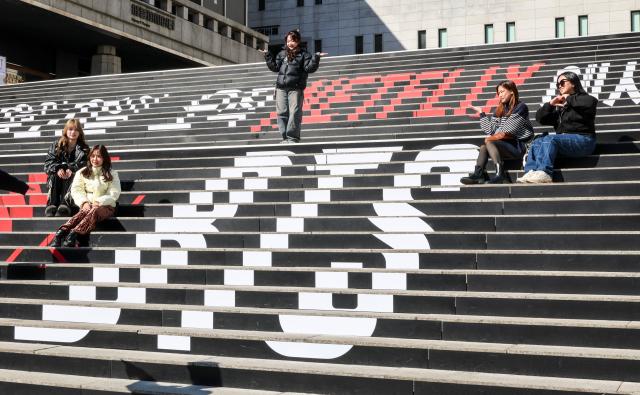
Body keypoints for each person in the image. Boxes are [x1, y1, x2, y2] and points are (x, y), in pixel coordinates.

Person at [517, 71, 598, 183]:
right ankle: (530, 171)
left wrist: (568, 98)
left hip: (584, 141)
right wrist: (550, 105)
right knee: (537, 141)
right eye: (557, 84)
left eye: (562, 82)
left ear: (573, 83)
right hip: (564, 142)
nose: (559, 86)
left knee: (550, 139)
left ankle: (544, 172)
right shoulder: (561, 109)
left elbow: (590, 103)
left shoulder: (585, 99)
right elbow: (540, 118)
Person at [461, 80, 534, 184]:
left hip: (519, 145)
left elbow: (508, 130)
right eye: (498, 93)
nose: (500, 95)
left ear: (512, 91)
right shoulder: (499, 110)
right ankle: (478, 175)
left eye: (502, 92)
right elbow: (491, 130)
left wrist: (490, 138)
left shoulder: (521, 107)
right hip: (506, 144)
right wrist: (482, 113)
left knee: (489, 142)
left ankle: (500, 174)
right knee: (484, 147)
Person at [260, 30, 327, 143]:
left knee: (295, 112)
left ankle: (292, 137)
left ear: (298, 41)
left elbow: (309, 68)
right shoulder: (282, 54)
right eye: (288, 40)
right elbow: (275, 67)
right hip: (281, 88)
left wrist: (316, 58)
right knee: (281, 112)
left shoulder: (304, 55)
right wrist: (267, 56)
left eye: (293, 40)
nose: (290, 43)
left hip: (295, 88)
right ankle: (285, 138)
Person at [49, 145, 120, 248]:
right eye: (93, 156)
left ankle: (73, 234)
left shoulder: (112, 174)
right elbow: (76, 190)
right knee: (85, 211)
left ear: (104, 158)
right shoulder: (82, 172)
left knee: (93, 211)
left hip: (106, 207)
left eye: (99, 156)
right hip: (87, 206)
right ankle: (61, 233)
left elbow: (114, 193)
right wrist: (84, 202)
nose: (95, 159)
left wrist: (99, 202)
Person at [44, 118, 89, 216]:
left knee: (73, 174)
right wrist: (58, 168)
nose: (73, 132)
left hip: (74, 178)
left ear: (79, 132)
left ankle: (65, 204)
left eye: (76, 130)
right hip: (57, 178)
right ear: (65, 131)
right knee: (55, 174)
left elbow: (85, 165)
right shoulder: (56, 145)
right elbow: (48, 164)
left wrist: (71, 168)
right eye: (70, 129)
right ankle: (52, 205)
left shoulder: (84, 148)